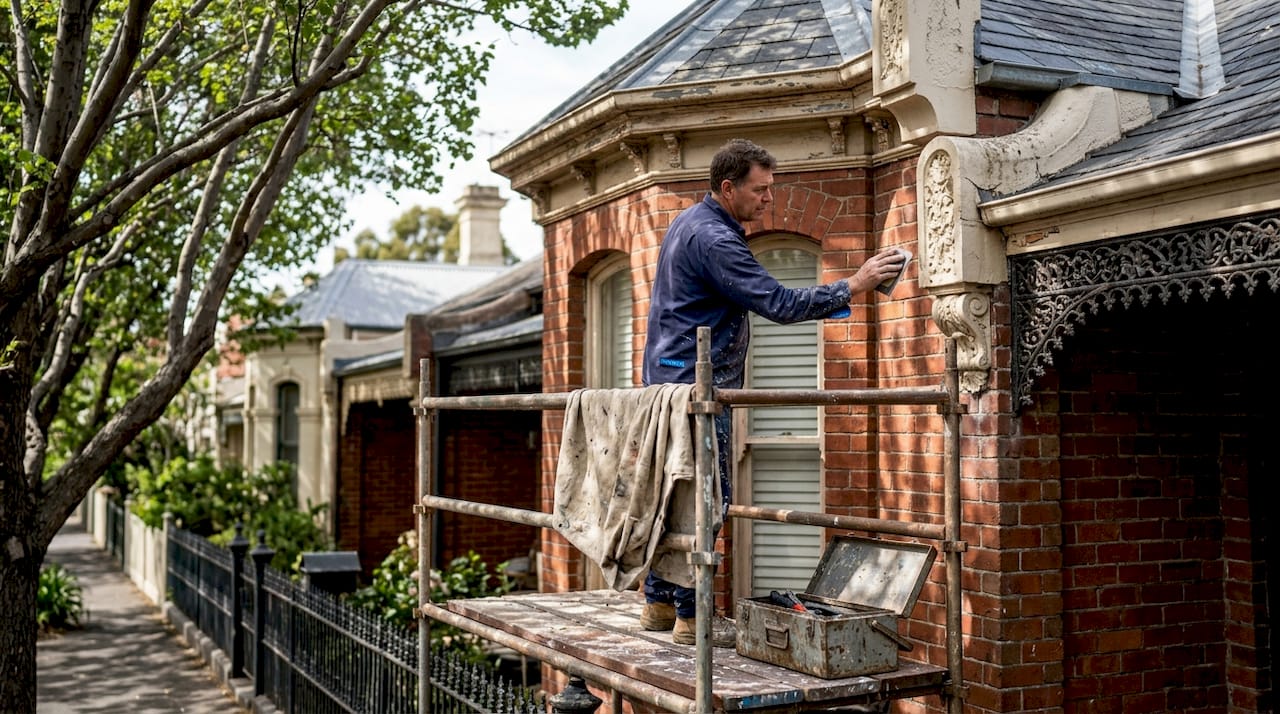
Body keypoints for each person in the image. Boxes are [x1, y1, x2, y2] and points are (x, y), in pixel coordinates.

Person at [639, 138, 907, 645]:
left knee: (675, 496)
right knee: (708, 501)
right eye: (760, 191)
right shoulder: (716, 239)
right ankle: (693, 619)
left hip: (666, 380)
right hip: (695, 387)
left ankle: (656, 603)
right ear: (727, 187)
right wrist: (855, 283)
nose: (769, 200)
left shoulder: (688, 222)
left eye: (771, 189)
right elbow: (779, 303)